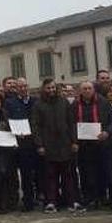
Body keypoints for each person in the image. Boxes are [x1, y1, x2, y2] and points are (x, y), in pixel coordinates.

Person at [30, 78, 79, 213]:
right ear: (44, 89)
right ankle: (51, 202)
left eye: (53, 87)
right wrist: (39, 144)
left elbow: (71, 123)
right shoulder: (38, 105)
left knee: (68, 176)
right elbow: (35, 126)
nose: (51, 90)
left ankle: (71, 201)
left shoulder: (64, 103)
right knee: (50, 176)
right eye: (48, 88)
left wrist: (74, 141)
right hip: (48, 145)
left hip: (65, 144)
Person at [73, 81, 112, 211]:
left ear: (94, 90)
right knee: (88, 174)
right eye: (84, 89)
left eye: (89, 88)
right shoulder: (75, 105)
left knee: (108, 173)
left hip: (103, 144)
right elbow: (71, 124)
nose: (87, 91)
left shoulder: (103, 102)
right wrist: (74, 141)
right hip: (85, 146)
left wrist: (107, 132)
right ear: (80, 91)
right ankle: (92, 199)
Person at [4, 80, 37, 212]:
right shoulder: (10, 102)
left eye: (25, 86)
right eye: (20, 87)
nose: (23, 89)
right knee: (22, 173)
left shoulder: (35, 101)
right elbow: (8, 119)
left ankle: (33, 198)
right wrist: (16, 132)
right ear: (16, 89)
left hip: (33, 141)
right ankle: (26, 201)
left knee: (32, 173)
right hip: (19, 142)